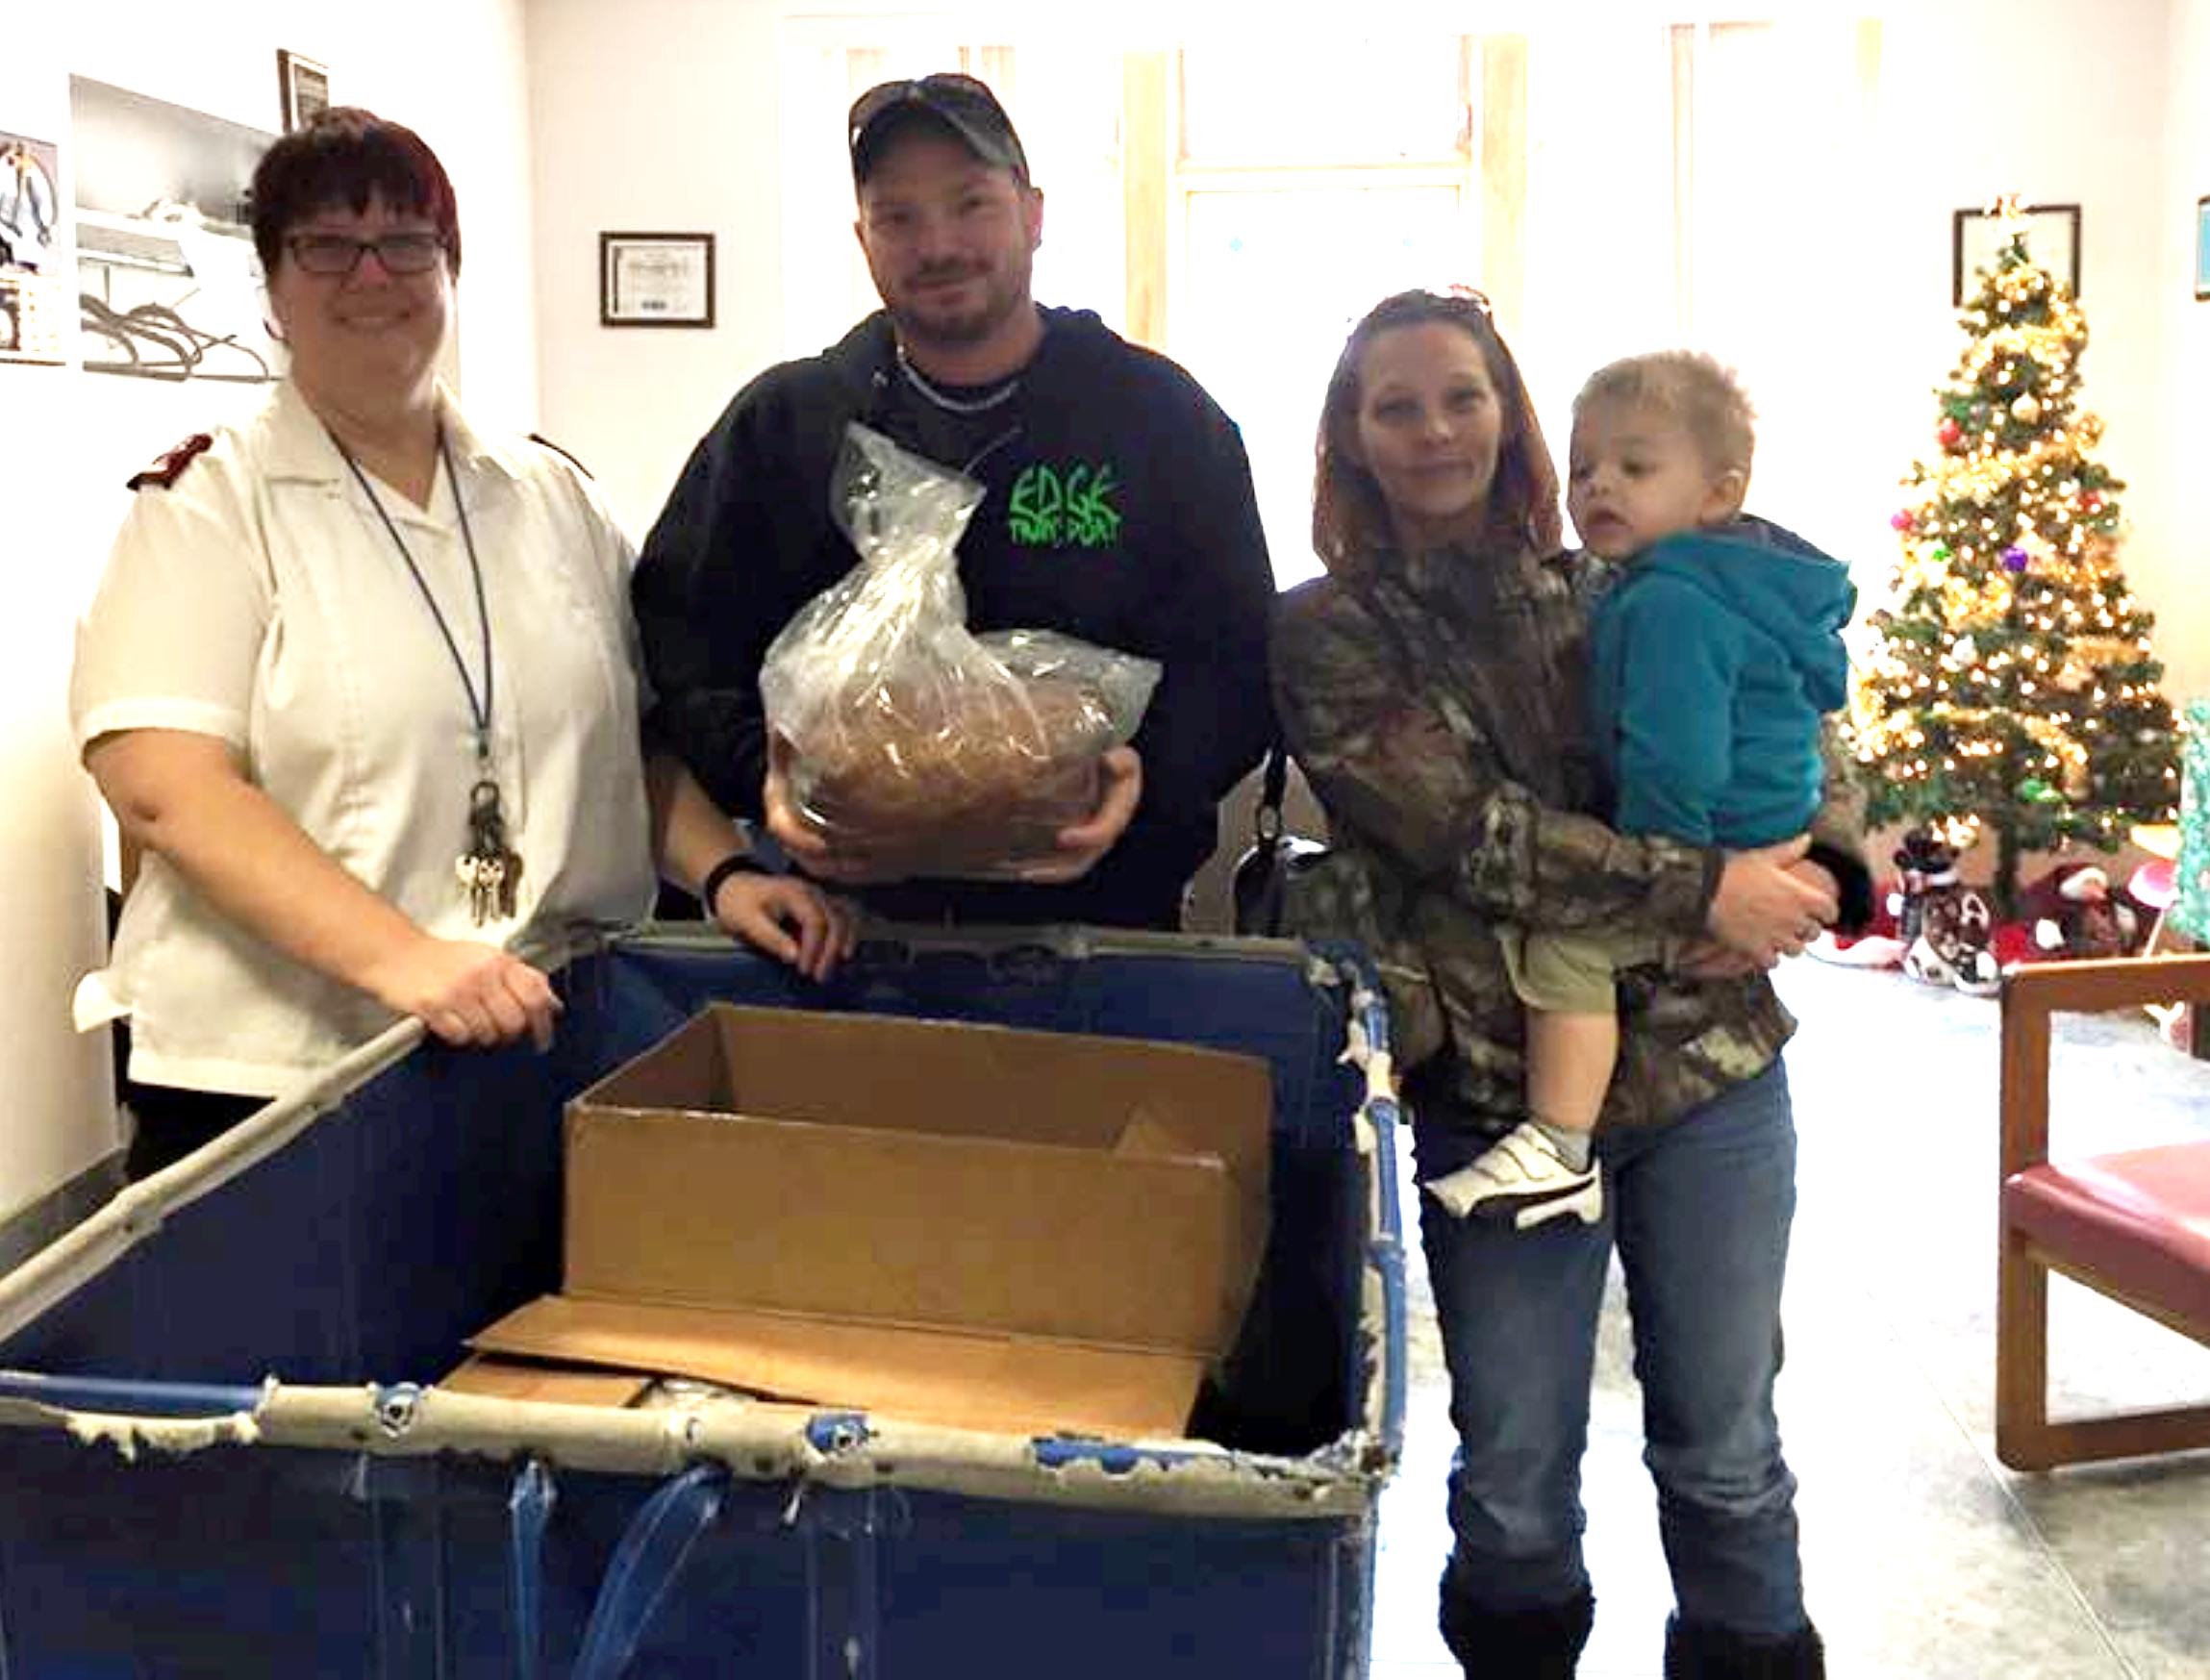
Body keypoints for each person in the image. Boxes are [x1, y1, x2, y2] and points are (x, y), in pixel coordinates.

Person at [72, 109, 854, 1181]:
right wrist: (406, 960)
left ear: (450, 268)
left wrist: (722, 873)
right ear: (273, 288)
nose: (371, 275)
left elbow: (624, 738)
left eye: (406, 242)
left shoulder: (551, 495)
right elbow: (164, 787)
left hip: (533, 1036)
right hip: (283, 1081)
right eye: (327, 246)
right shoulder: (208, 505)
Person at [1271, 289, 1867, 1678]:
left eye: (1462, 396)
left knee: (1727, 1451)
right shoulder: (1328, 632)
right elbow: (1470, 834)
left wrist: (1825, 867)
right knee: (1514, 1470)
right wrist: (1703, 888)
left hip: (1714, 1073)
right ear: (1350, 437)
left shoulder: (1616, 574)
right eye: (1396, 405)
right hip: (1499, 1091)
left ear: (1509, 414)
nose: (1435, 429)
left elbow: (1802, 728)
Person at [632, 72, 1275, 930]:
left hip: (1103, 936)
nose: (938, 245)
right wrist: (768, 776)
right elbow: (681, 649)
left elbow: (1238, 659)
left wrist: (1145, 775)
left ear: (1034, 214)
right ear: (863, 239)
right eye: (898, 217)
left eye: (971, 204)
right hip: (834, 940)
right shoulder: (783, 429)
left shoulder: (1161, 420)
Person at [1423, 351, 1856, 1229]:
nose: (1600, 486)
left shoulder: (1664, 603)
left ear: (1720, 494)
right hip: (1742, 840)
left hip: (1715, 874)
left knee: (1567, 951)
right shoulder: (1728, 586)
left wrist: (1724, 880)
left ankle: (1558, 1145)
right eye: (1586, 468)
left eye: (1635, 467)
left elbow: (1680, 758)